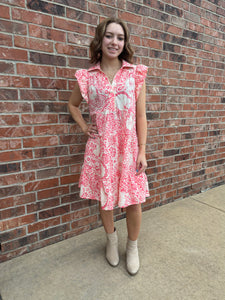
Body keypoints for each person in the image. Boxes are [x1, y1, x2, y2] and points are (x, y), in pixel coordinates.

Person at [68, 17, 149, 275]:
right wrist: (83, 127)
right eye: (110, 36)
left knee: (134, 201)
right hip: (101, 148)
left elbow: (140, 116)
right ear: (100, 40)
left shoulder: (135, 74)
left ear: (125, 43)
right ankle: (111, 240)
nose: (115, 42)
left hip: (128, 149)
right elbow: (72, 105)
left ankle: (132, 246)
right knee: (105, 201)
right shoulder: (88, 77)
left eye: (120, 37)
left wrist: (142, 150)